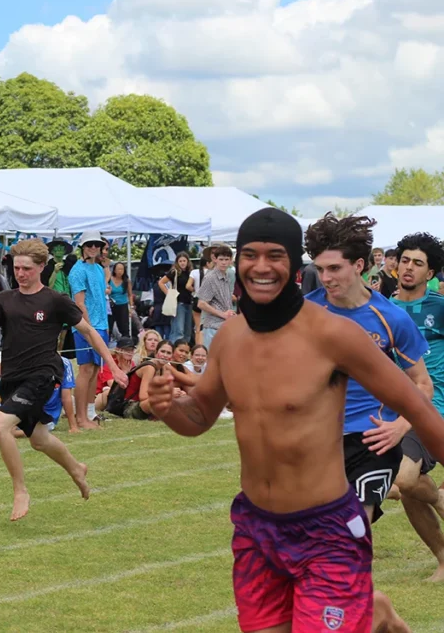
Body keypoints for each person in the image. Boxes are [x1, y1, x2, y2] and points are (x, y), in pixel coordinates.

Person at [147, 208, 434, 633]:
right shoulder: (230, 337)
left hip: (334, 514)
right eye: (250, 255)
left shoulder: (338, 332)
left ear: (293, 265)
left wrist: (400, 428)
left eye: (275, 256)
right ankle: (372, 611)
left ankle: (363, 610)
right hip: (255, 528)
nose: (261, 267)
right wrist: (167, 407)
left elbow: (421, 403)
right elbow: (201, 415)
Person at [0, 239, 127, 522]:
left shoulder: (55, 300)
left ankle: (20, 490)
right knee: (39, 439)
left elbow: (89, 332)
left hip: (43, 375)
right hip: (12, 378)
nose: (20, 274)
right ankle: (76, 468)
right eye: (16, 268)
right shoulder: (4, 299)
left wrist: (112, 365)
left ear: (42, 267)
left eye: (26, 268)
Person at [304, 214, 434, 528]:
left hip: (372, 440)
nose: (326, 278)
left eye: (335, 268)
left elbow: (422, 383)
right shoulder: (304, 312)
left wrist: (401, 426)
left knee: (352, 529)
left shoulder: (390, 317)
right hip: (316, 438)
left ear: (359, 265)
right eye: (320, 269)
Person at [387, 232, 444, 580]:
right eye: (405, 260)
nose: (409, 267)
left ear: (430, 272)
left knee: (407, 480)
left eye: (418, 263)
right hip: (396, 410)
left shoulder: (440, 307)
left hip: (435, 406)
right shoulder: (382, 308)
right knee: (408, 487)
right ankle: (443, 558)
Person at [68, 231, 111, 430]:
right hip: (86, 326)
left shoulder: (99, 269)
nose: (93, 248)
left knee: (94, 369)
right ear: (83, 247)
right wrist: (88, 328)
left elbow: (100, 299)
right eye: (89, 244)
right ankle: (81, 417)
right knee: (86, 369)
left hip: (100, 325)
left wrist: (103, 327)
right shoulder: (77, 271)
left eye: (96, 244)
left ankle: (90, 412)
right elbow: (79, 303)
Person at [197, 245, 236, 348]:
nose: (224, 262)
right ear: (215, 259)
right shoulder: (210, 277)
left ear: (230, 260)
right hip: (213, 327)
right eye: (221, 259)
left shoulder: (226, 276)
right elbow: (201, 303)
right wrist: (223, 314)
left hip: (224, 326)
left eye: (226, 259)